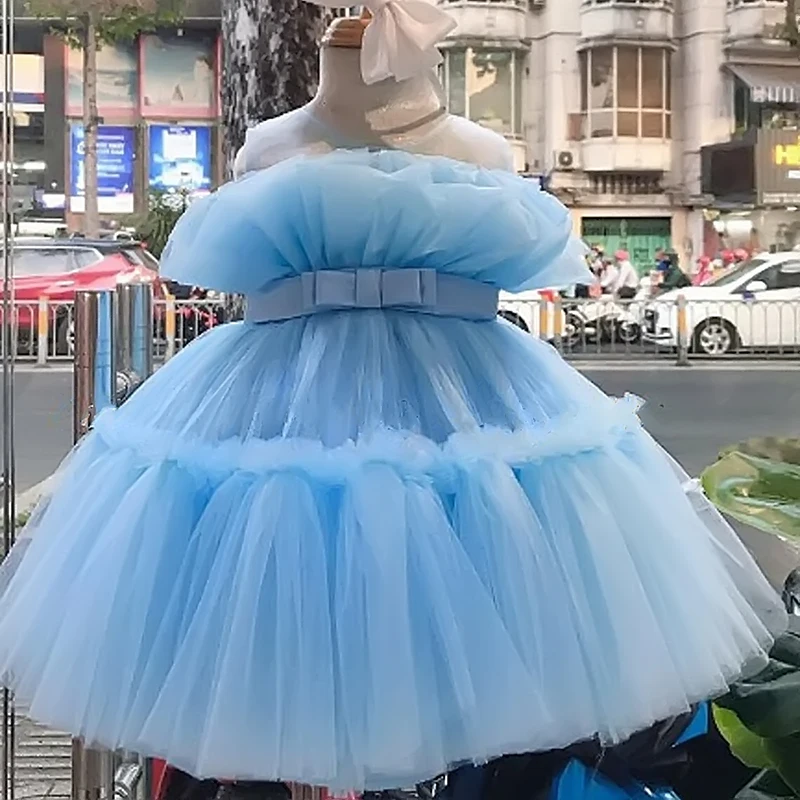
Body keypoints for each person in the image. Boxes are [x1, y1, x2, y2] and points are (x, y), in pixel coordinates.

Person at [0, 0, 785, 791]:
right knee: (286, 592)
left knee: (466, 603)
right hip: (291, 400)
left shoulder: (481, 149)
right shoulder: (269, 145)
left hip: (462, 400)